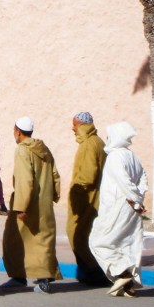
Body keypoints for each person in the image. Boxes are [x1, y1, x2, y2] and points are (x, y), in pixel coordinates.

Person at [1, 116, 63, 295]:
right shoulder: (44, 148)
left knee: (14, 240)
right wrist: (53, 195)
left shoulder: (22, 150)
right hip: (43, 203)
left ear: (18, 132)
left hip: (27, 204)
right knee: (42, 241)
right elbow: (55, 175)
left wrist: (22, 206)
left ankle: (19, 277)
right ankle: (43, 278)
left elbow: (24, 179)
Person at [89, 121, 149, 298]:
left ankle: (122, 273)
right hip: (132, 206)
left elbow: (124, 181)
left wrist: (135, 199)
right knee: (125, 242)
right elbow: (143, 180)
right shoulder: (132, 156)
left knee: (98, 241)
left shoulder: (115, 157)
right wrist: (139, 200)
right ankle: (127, 285)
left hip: (119, 205)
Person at [67, 111, 109, 286]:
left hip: (86, 199)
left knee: (77, 235)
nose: (73, 128)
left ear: (82, 125)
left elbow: (87, 175)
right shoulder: (97, 142)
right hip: (95, 197)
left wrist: (76, 191)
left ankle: (92, 270)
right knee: (87, 234)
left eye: (75, 125)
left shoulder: (88, 145)